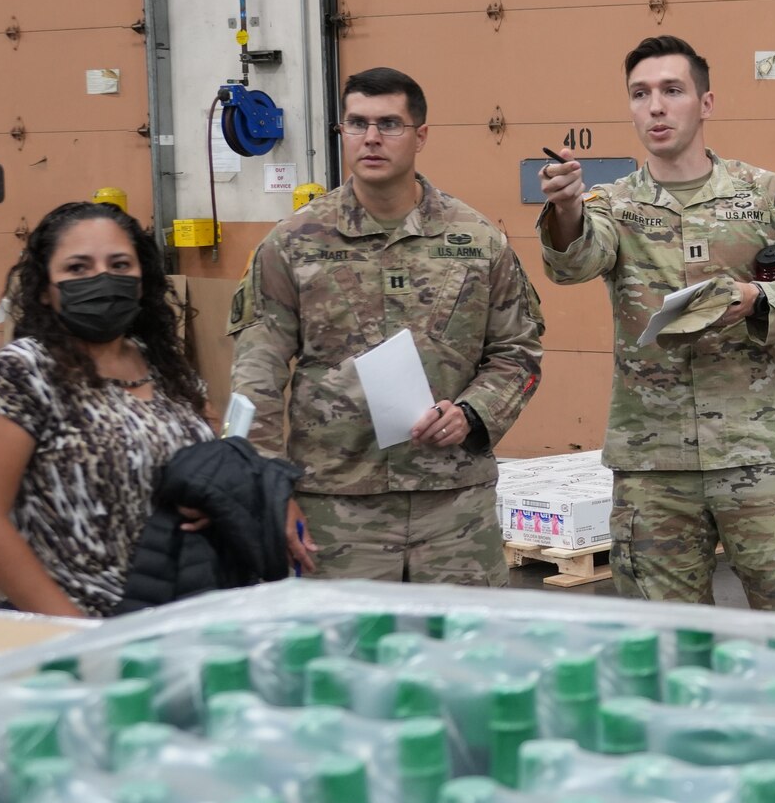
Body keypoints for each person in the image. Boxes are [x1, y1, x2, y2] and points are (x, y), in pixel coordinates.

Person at [538, 35, 775, 613]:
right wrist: (566, 209)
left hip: (756, 452)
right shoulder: (612, 205)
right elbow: (574, 263)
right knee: (665, 636)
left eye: (672, 90)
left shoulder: (767, 196)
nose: (655, 107)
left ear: (706, 103)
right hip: (654, 462)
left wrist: (757, 298)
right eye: (640, 94)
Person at [229, 66, 545, 585]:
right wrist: (268, 488)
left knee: (460, 637)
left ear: (420, 135)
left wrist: (472, 413)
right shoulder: (293, 244)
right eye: (357, 123)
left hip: (453, 509)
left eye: (390, 124)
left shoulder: (477, 241)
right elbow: (256, 374)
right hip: (337, 506)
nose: (371, 138)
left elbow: (518, 352)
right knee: (348, 639)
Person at [0, 202, 215, 617]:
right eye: (77, 267)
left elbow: (205, 459)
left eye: (119, 264)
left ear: (142, 279)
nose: (103, 279)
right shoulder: (22, 374)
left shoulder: (164, 366)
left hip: (175, 617)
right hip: (82, 622)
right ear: (45, 288)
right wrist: (78, 633)